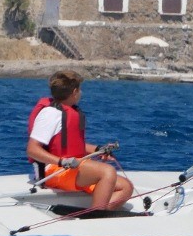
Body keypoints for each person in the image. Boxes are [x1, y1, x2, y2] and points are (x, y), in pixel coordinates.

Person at [27, 70, 135, 211]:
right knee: (107, 172)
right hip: (54, 171)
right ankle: (96, 215)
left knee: (126, 187)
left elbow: (71, 146)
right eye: (80, 90)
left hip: (72, 168)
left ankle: (95, 212)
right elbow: (32, 149)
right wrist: (62, 162)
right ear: (75, 92)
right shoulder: (50, 114)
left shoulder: (69, 112)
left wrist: (98, 149)